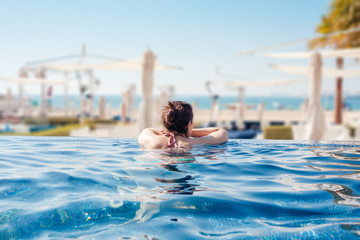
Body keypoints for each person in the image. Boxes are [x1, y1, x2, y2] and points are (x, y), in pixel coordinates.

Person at [138, 101, 228, 149]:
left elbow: (147, 130)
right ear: (189, 124)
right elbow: (222, 132)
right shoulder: (194, 143)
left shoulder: (152, 140)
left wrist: (170, 131)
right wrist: (188, 132)